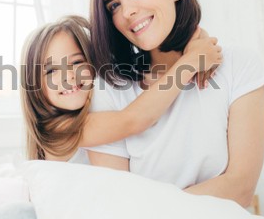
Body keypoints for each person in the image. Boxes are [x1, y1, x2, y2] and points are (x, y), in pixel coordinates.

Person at [87, 0, 264, 208]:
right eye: (114, 5)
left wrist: (153, 206)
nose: (127, 12)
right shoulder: (110, 90)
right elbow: (121, 207)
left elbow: (240, 188)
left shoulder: (239, 65)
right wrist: (188, 64)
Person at [20, 15, 221, 162]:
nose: (68, 76)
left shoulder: (100, 96)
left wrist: (197, 39)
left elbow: (135, 61)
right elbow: (134, 120)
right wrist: (190, 62)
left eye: (77, 62)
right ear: (34, 86)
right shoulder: (56, 129)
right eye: (51, 71)